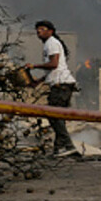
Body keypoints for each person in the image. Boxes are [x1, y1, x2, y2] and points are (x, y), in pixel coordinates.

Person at [26, 20, 78, 157]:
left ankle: (68, 146)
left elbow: (53, 64)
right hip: (63, 84)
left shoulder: (51, 43)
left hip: (61, 85)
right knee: (58, 117)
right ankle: (59, 149)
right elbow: (56, 68)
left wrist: (34, 66)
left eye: (42, 29)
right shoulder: (50, 43)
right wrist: (38, 81)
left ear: (51, 31)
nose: (39, 32)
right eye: (37, 30)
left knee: (53, 116)